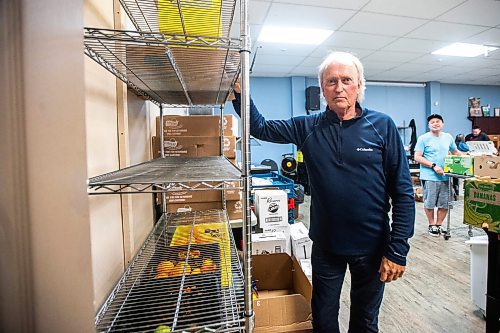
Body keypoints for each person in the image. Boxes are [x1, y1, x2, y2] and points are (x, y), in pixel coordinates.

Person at [231, 51, 415, 332]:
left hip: (373, 246)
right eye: (331, 81)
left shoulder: (382, 126)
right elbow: (261, 127)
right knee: (324, 318)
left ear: (359, 85)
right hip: (327, 246)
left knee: (365, 321)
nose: (339, 87)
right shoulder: (307, 126)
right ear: (323, 88)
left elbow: (402, 192)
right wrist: (240, 94)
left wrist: (398, 250)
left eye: (346, 80)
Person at [414, 114, 461, 237]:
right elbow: (417, 156)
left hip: (446, 175)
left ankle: (439, 225)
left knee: (445, 203)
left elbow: (455, 152)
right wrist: (433, 166)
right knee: (429, 203)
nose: (436, 123)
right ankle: (431, 225)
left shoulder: (448, 137)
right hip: (430, 176)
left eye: (438, 121)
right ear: (429, 125)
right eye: (433, 122)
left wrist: (469, 158)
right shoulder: (423, 138)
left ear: (442, 123)